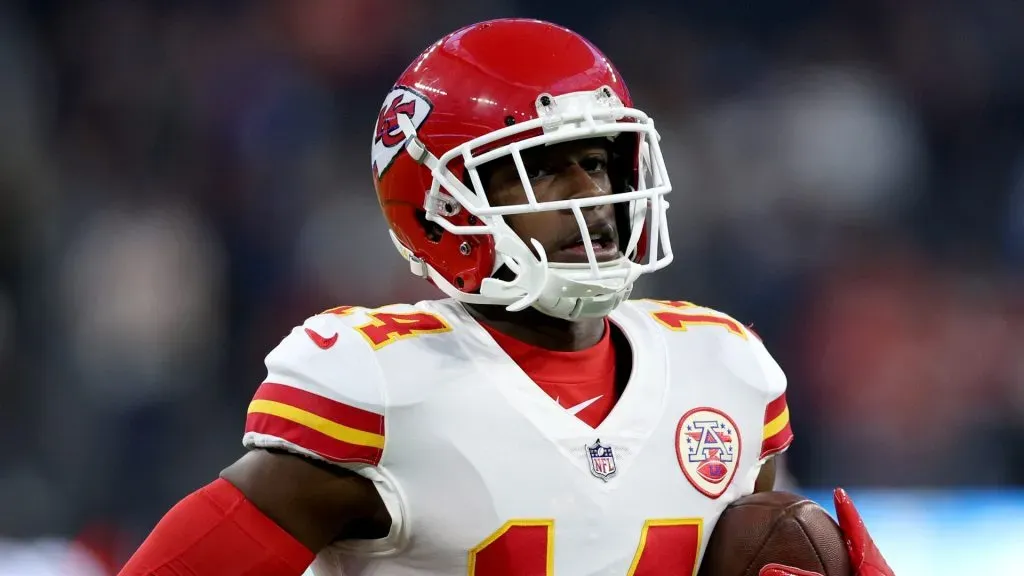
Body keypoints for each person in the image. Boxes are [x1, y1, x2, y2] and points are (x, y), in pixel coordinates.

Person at [119, 18, 893, 576]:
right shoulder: (379, 387)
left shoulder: (723, 368)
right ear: (440, 206)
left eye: (599, 162)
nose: (590, 194)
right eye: (544, 169)